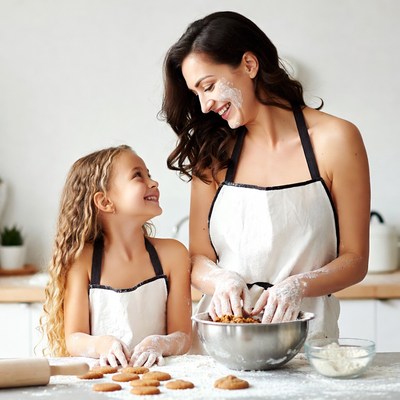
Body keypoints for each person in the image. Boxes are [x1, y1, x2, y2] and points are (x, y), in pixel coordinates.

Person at [161, 11, 370, 343]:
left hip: (307, 342)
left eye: (209, 86)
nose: (203, 106)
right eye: (196, 93)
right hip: (223, 342)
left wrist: (296, 286)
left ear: (248, 64)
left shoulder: (336, 140)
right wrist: (222, 281)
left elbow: (355, 260)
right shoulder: (212, 152)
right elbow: (199, 258)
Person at [41, 145, 192, 367]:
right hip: (103, 381)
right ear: (105, 202)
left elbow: (183, 337)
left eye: (148, 174)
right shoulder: (82, 261)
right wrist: (103, 344)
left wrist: (158, 343)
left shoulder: (174, 255)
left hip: (161, 379)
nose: (153, 182)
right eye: (138, 175)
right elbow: (74, 338)